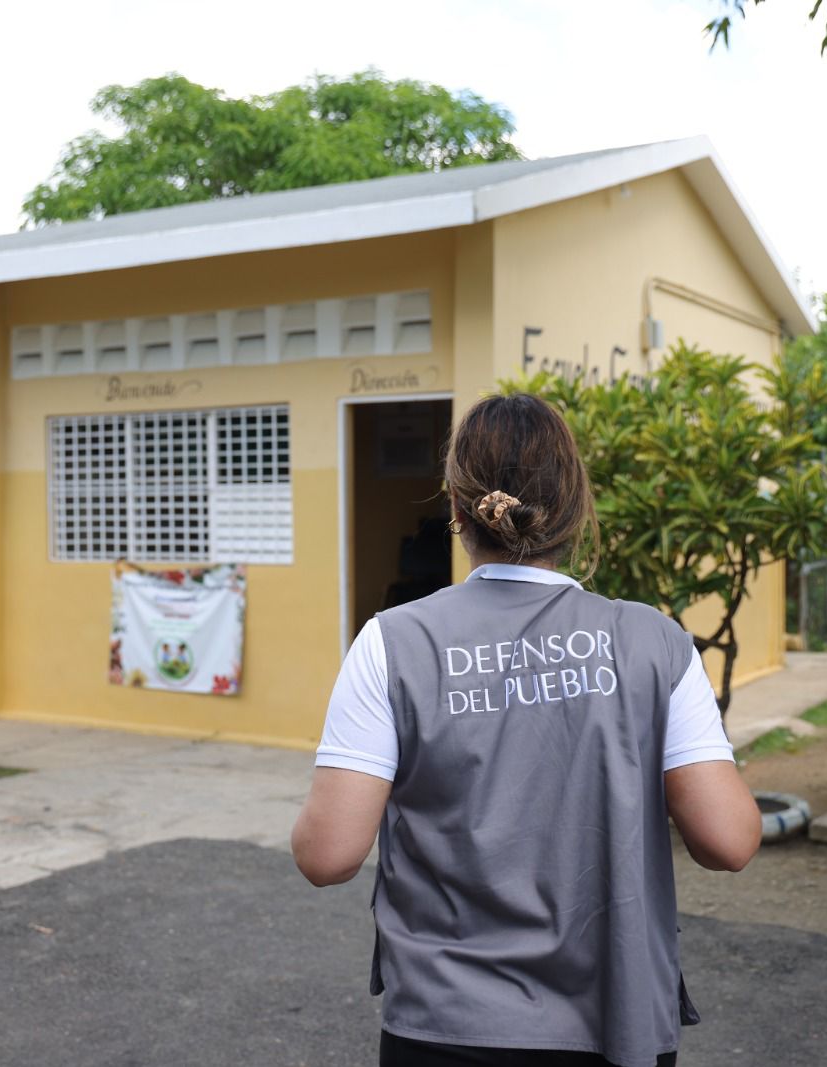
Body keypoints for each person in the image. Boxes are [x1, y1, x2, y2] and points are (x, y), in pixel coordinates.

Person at [291, 392, 762, 1067]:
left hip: (445, 1027)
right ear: (575, 508)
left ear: (457, 510)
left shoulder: (393, 643)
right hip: (616, 1023)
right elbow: (730, 841)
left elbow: (327, 854)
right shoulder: (655, 643)